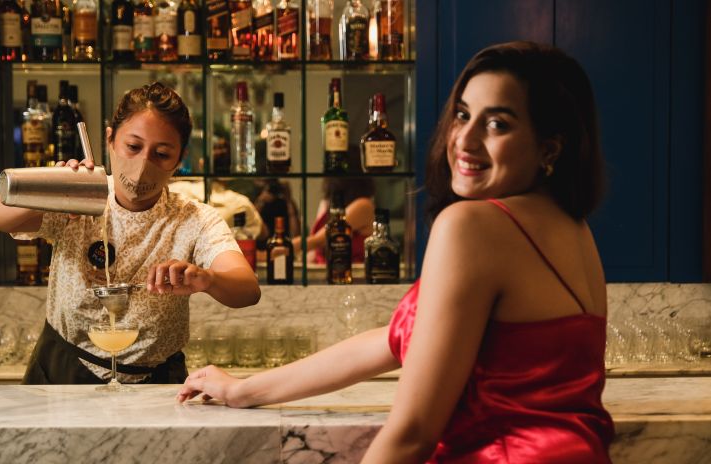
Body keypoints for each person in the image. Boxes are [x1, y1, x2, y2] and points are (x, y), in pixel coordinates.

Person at [176, 41, 615, 462]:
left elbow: (413, 434)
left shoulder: (472, 226)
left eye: (497, 123)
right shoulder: (573, 227)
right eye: (463, 115)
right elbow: (393, 341)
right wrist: (243, 390)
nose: (465, 139)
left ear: (549, 148)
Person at [0, 82, 260, 385]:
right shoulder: (78, 195)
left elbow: (247, 290)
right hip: (63, 372)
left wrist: (208, 279)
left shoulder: (193, 219)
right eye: (133, 146)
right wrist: (52, 187)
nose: (143, 165)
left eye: (162, 154)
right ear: (110, 139)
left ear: (179, 161)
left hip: (156, 382)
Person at [297, 177, 376, 263]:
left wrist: (285, 248)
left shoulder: (363, 205)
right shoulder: (328, 205)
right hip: (326, 273)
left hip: (350, 274)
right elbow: (314, 252)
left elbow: (317, 241)